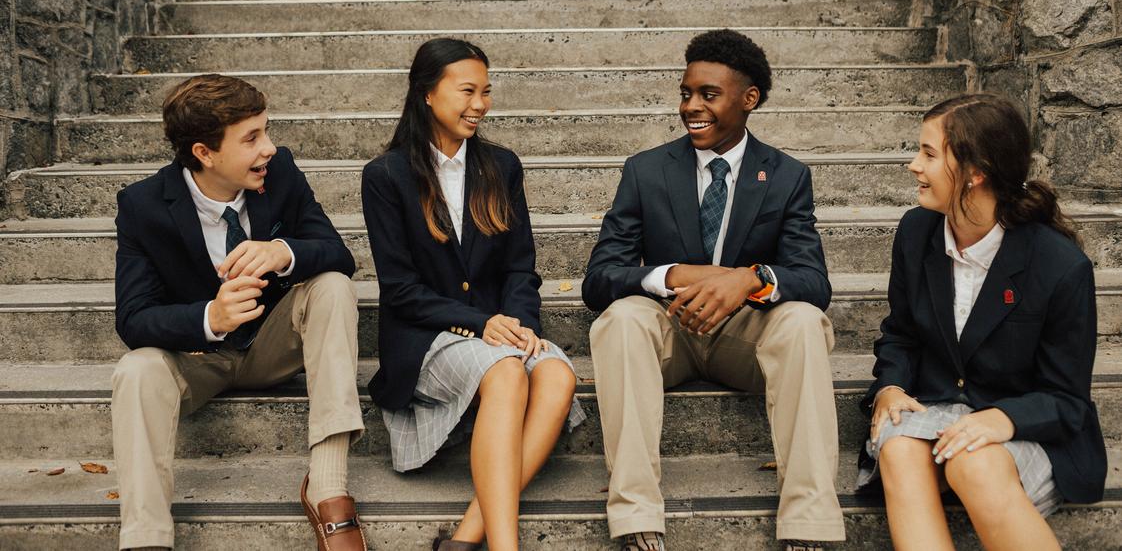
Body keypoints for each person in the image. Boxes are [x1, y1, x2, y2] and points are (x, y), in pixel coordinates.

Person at [583, 29, 845, 551]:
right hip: (670, 334)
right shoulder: (646, 170)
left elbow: (813, 282)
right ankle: (635, 511)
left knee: (803, 321)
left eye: (708, 94)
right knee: (620, 318)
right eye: (686, 93)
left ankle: (809, 520)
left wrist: (749, 279)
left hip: (746, 340)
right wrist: (677, 275)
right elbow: (600, 278)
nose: (691, 107)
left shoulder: (788, 176)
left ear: (749, 100)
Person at [111, 74, 367, 550]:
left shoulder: (281, 173)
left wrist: (282, 251)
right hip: (196, 360)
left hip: (273, 348)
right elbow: (134, 319)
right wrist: (210, 316)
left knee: (332, 286)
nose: (269, 148)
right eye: (252, 138)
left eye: (266, 131)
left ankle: (329, 485)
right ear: (205, 153)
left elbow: (338, 254)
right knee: (136, 369)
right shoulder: (144, 205)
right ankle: (146, 537)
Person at [361, 38, 585, 551]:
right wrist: (480, 323)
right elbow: (399, 290)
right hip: (427, 336)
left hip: (499, 327)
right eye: (467, 91)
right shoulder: (387, 176)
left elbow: (520, 268)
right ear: (426, 94)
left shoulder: (501, 166)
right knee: (505, 371)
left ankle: (464, 540)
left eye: (486, 91)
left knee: (555, 373)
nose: (480, 104)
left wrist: (521, 322)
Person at [858, 92, 1106, 550]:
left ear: (975, 173)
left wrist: (1002, 419)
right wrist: (890, 387)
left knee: (973, 462)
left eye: (929, 153)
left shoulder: (1060, 267)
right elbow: (901, 335)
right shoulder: (916, 232)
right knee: (897, 447)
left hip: (1028, 432)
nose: (914, 164)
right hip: (936, 409)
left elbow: (1067, 401)